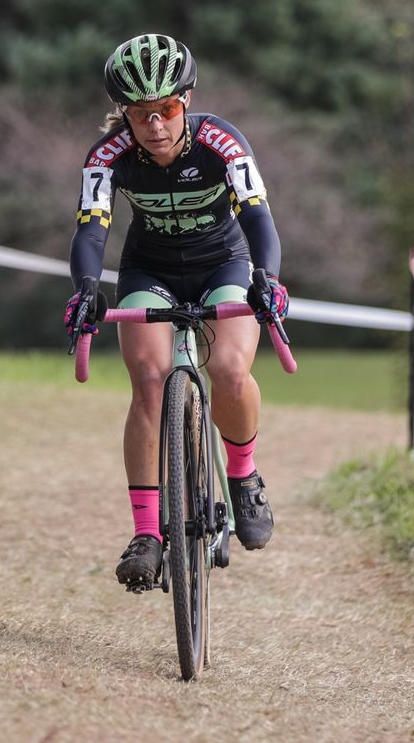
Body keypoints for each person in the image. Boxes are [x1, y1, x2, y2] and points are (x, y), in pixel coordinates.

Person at [64, 33, 290, 589]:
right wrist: (87, 287)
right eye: (141, 114)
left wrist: (268, 278)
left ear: (185, 101)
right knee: (147, 379)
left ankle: (243, 475)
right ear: (125, 115)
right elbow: (91, 230)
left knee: (230, 369)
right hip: (151, 270)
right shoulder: (108, 157)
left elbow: (259, 217)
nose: (155, 125)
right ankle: (147, 533)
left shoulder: (222, 143)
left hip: (225, 263)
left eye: (166, 110)